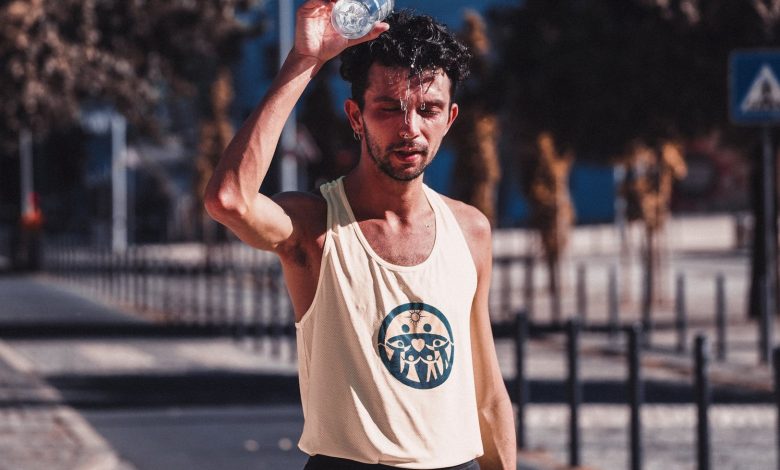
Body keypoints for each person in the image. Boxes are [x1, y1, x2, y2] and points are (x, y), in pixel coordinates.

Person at [204, 1, 516, 469]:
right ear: (356, 117)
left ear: (449, 119)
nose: (409, 127)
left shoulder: (470, 229)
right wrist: (305, 59)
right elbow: (229, 200)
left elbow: (487, 395)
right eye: (389, 108)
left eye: (427, 109)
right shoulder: (313, 226)